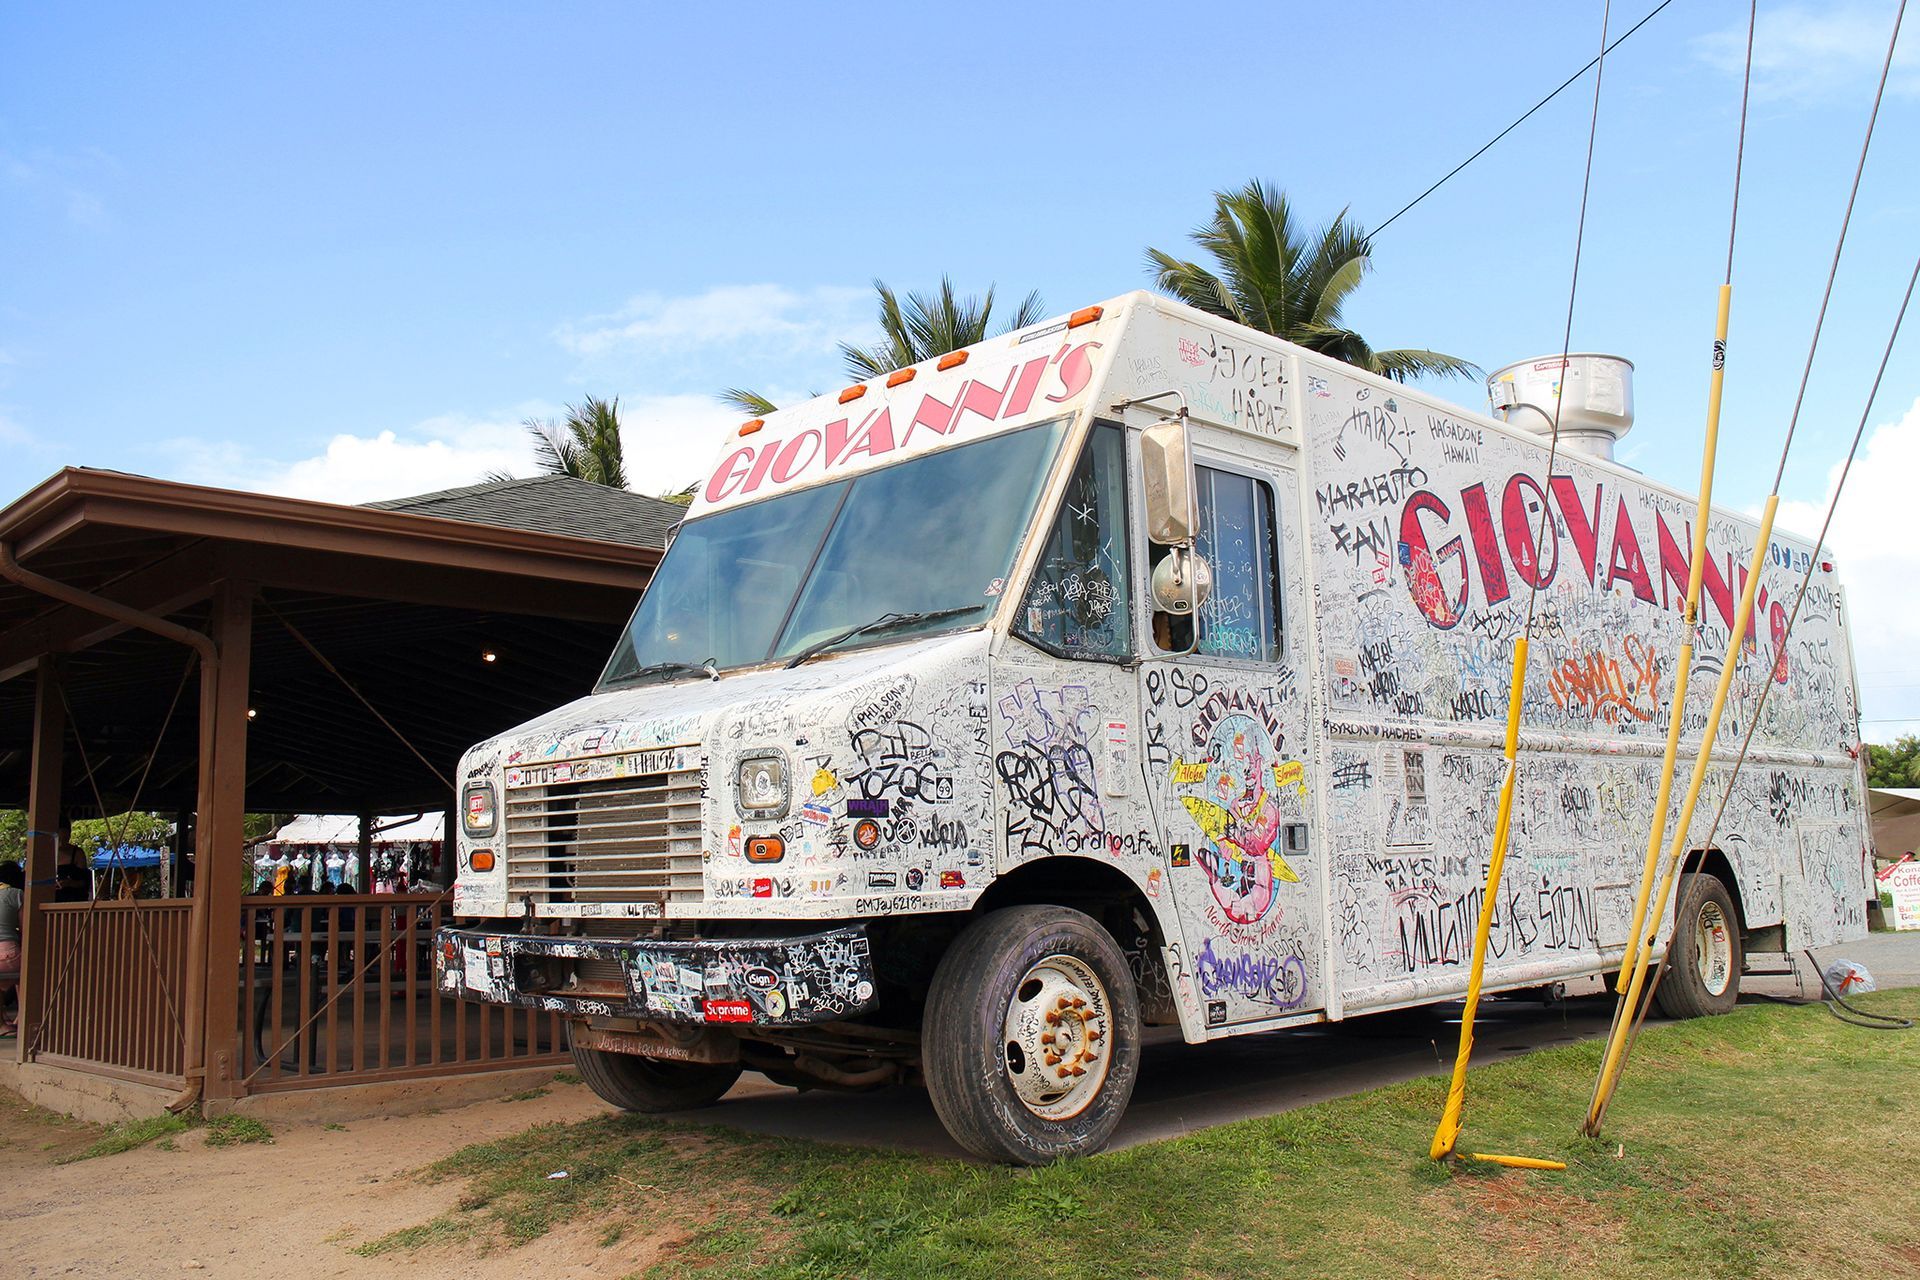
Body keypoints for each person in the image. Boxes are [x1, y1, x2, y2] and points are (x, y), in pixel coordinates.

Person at [1, 861, 23, 1037]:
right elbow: (26, 929)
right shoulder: (16, 894)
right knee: (29, 971)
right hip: (9, 955)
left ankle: (2, 1022)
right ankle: (23, 1017)